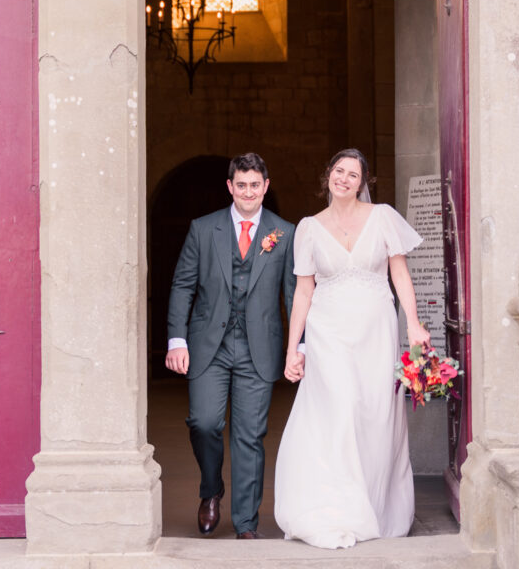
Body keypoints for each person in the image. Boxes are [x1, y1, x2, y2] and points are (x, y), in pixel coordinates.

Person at [273, 148, 431, 549]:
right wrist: (293, 348)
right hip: (328, 333)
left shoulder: (383, 217)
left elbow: (399, 274)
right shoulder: (309, 228)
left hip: (376, 331)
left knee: (374, 415)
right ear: (328, 174)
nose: (344, 178)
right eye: (339, 171)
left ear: (363, 182)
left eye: (353, 174)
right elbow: (303, 292)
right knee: (338, 410)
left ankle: (374, 505)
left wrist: (413, 323)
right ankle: (338, 508)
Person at [166, 152, 298, 539]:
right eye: (241, 185)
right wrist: (177, 339)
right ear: (230, 186)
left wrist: (299, 347)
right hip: (209, 345)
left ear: (266, 186)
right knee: (204, 423)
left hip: (260, 348)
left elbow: (294, 295)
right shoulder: (203, 229)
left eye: (255, 185)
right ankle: (211, 490)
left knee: (249, 436)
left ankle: (246, 523)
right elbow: (183, 285)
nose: (248, 192)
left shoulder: (285, 233)